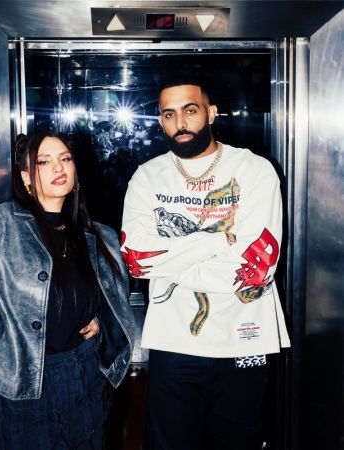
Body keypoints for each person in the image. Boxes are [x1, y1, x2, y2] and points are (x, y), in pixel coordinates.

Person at [0, 131, 135, 450]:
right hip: (21, 388)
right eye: (44, 162)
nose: (59, 167)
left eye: (65, 159)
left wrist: (100, 320)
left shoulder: (99, 235)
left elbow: (115, 294)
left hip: (85, 377)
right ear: (26, 177)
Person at [120, 80, 290, 450]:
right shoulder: (147, 176)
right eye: (169, 114)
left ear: (211, 114)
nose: (180, 122)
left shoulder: (254, 170)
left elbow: (256, 268)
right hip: (172, 340)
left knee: (237, 442)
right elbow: (136, 259)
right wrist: (216, 241)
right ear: (160, 122)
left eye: (190, 110)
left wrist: (169, 261)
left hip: (243, 337)